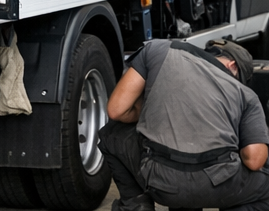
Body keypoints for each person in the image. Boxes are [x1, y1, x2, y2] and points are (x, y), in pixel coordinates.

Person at [99, 38, 269, 211]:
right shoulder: (245, 94)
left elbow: (116, 110)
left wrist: (154, 110)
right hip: (217, 184)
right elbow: (254, 160)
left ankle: (136, 206)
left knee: (111, 135)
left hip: (160, 181)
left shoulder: (158, 50)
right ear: (232, 66)